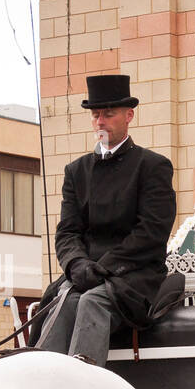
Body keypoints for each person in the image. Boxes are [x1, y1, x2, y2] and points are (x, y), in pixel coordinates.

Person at [38, 74, 176, 366]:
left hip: (134, 276)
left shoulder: (152, 167)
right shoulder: (76, 171)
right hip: (85, 274)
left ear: (129, 116)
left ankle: (83, 383)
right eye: (96, 115)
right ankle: (41, 378)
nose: (100, 121)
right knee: (63, 303)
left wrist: (104, 268)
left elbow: (151, 232)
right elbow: (67, 232)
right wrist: (77, 265)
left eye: (108, 114)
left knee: (91, 302)